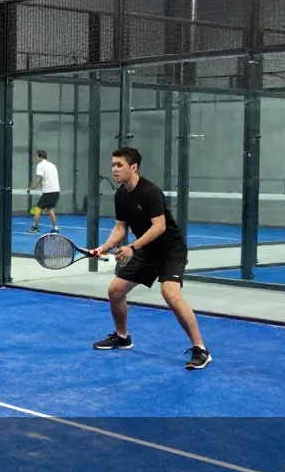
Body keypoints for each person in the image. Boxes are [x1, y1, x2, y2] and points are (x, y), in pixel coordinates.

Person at [88, 147, 210, 370]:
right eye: (113, 165)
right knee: (115, 291)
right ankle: (122, 337)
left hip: (171, 250)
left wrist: (132, 247)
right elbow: (119, 227)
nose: (114, 169)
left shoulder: (150, 191)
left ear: (133, 167)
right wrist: (105, 247)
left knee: (170, 293)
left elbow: (160, 226)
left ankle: (200, 349)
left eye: (119, 165)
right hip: (147, 252)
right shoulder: (121, 194)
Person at [26, 150, 60, 234]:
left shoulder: (40, 165)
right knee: (49, 209)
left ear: (38, 156)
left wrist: (33, 186)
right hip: (56, 190)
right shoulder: (52, 165)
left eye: (36, 155)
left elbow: (39, 178)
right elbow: (47, 178)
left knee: (37, 209)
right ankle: (55, 228)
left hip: (48, 191)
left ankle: (35, 228)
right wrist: (41, 183)